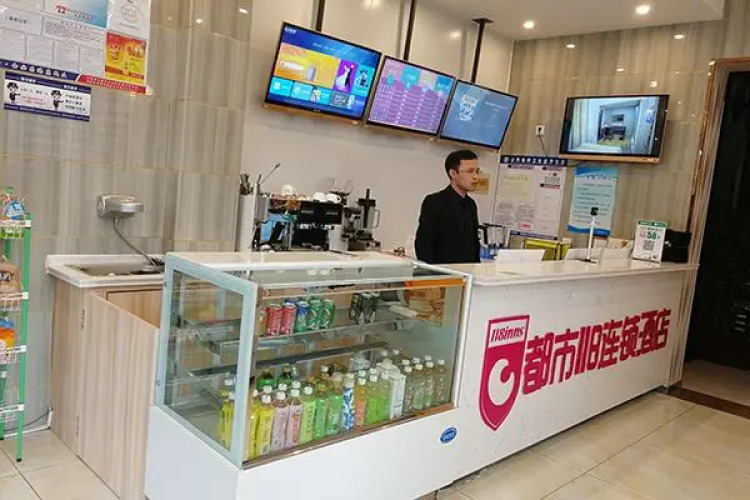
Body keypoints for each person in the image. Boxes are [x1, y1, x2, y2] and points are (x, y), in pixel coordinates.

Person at [415, 150, 481, 264]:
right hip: (441, 271)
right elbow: (423, 244)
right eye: (470, 171)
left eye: (477, 171)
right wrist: (433, 271)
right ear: (453, 173)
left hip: (467, 271)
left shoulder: (471, 204)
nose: (475, 177)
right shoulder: (434, 202)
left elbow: (474, 244)